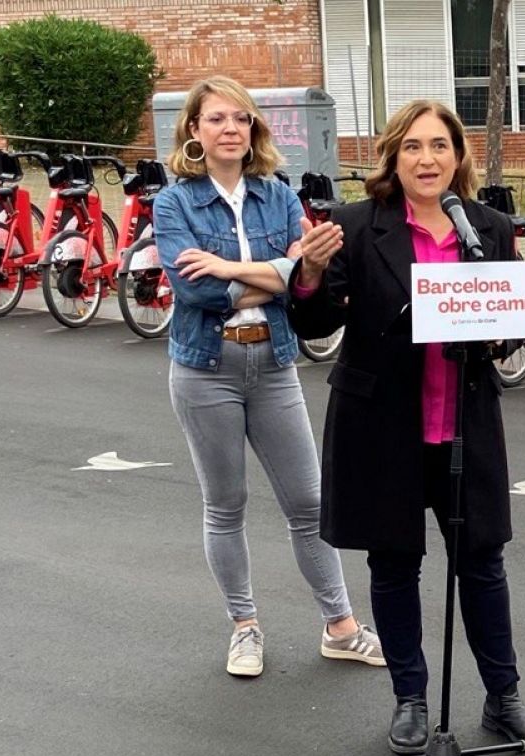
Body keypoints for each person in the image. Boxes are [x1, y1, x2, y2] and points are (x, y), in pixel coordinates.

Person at [287, 100, 525, 756]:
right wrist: (312, 272)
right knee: (394, 561)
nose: (427, 159)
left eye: (439, 146)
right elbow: (314, 323)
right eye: (412, 147)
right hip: (382, 422)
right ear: (393, 157)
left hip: (465, 423)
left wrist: (500, 330)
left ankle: (504, 697)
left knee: (483, 562)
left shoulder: (488, 227)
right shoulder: (355, 225)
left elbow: (510, 323)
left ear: (458, 157)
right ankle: (410, 698)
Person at [155, 76, 383, 677]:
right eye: (217, 120)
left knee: (309, 501)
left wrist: (237, 267)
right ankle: (245, 626)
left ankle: (340, 625)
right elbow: (192, 290)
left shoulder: (278, 194)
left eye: (241, 119)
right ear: (195, 132)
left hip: (274, 362)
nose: (231, 129)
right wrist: (278, 272)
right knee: (226, 503)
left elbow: (307, 277)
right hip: (206, 370)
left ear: (254, 128)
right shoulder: (174, 201)